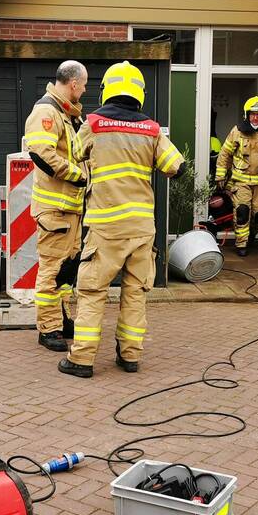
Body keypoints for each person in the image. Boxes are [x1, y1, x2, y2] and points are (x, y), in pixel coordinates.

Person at [58, 61, 184, 378]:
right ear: (139, 92)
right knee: (135, 292)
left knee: (92, 292)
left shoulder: (93, 124)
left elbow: (73, 154)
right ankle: (129, 356)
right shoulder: (152, 129)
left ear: (108, 89)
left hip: (105, 228)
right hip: (142, 229)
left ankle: (82, 360)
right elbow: (176, 167)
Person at [23, 60, 88, 352]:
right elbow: (40, 152)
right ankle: (47, 329)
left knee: (66, 271)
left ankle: (61, 320)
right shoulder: (47, 111)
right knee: (51, 270)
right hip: (55, 211)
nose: (84, 91)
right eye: (84, 85)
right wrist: (78, 176)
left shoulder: (67, 114)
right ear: (73, 84)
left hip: (70, 209)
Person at [215, 96, 258, 256]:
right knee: (242, 212)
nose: (255, 117)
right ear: (247, 115)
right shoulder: (237, 131)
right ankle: (241, 244)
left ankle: (251, 235)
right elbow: (225, 153)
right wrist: (220, 176)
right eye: (252, 114)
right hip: (241, 181)